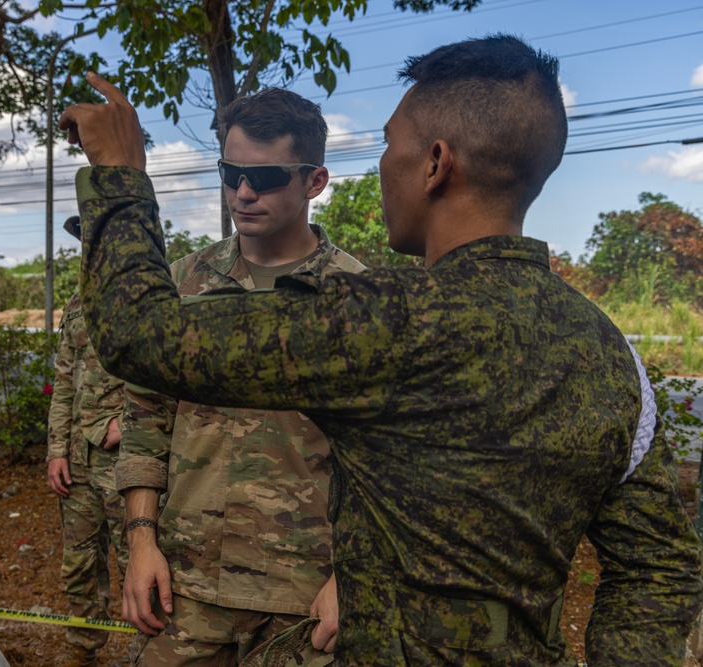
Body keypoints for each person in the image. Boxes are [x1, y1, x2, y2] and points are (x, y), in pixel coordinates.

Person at [59, 35, 703, 666]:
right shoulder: (608, 351)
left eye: (392, 143)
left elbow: (136, 334)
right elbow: (661, 565)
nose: (383, 163)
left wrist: (119, 175)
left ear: (434, 163)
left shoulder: (384, 319)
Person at [117, 88, 364, 665]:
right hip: (186, 586)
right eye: (231, 174)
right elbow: (145, 422)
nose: (243, 193)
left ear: (315, 180)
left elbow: (384, 461)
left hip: (301, 601)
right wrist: (141, 541)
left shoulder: (357, 296)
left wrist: (350, 576)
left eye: (267, 176)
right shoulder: (181, 286)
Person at [46, 216, 129, 667]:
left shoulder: (151, 302)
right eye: (85, 242)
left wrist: (128, 426)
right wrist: (57, 450)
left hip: (128, 462)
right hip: (78, 461)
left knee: (138, 562)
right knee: (78, 564)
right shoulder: (78, 304)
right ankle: (83, 649)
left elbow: (169, 385)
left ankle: (148, 652)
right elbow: (63, 383)